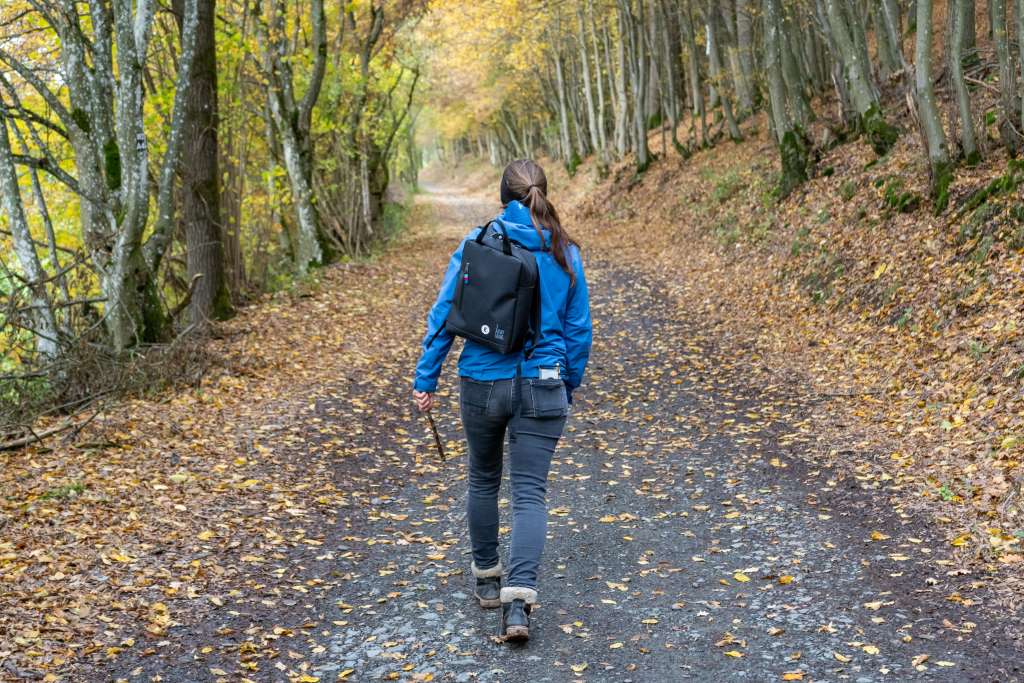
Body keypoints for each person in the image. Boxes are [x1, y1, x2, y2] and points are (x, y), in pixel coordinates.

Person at [412, 159, 592, 642]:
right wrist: (565, 385)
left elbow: (446, 310)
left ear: (502, 197)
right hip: (545, 381)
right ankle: (518, 606)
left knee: (483, 479)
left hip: (482, 383)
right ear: (544, 194)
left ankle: (488, 581)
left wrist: (426, 378)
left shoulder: (479, 240)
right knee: (530, 493)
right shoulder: (565, 251)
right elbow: (579, 332)